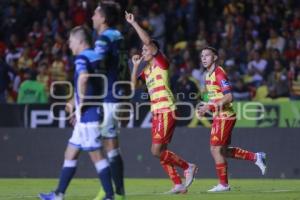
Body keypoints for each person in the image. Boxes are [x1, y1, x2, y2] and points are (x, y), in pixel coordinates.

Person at [125, 11, 197, 194]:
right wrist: (134, 67)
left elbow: (148, 41)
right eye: (142, 50)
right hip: (157, 112)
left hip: (167, 110)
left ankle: (188, 166)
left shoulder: (161, 62)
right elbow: (133, 87)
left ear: (154, 50)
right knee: (162, 151)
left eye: (145, 49)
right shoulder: (147, 70)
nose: (143, 51)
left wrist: (134, 24)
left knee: (155, 150)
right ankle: (178, 184)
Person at [39, 26, 114, 200]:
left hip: (89, 115)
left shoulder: (82, 58)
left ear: (80, 41)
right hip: (92, 110)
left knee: (97, 155)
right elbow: (94, 86)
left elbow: (84, 78)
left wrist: (78, 105)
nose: (69, 45)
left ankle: (109, 195)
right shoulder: (98, 56)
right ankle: (58, 194)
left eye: (71, 41)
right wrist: (75, 104)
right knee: (70, 152)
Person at [197, 46, 267, 192]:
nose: (203, 58)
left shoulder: (219, 73)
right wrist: (205, 105)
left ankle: (223, 184)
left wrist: (209, 108)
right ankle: (256, 157)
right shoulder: (207, 75)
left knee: (215, 149)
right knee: (223, 151)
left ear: (215, 57)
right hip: (219, 115)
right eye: (202, 56)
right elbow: (211, 96)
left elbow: (229, 97)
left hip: (225, 115)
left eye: (207, 55)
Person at [92, 3, 126, 200]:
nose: (92, 17)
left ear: (103, 18)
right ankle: (116, 191)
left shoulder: (104, 38)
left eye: (96, 13)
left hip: (109, 96)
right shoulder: (118, 35)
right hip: (118, 93)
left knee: (107, 144)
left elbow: (96, 67)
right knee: (111, 142)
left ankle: (111, 191)